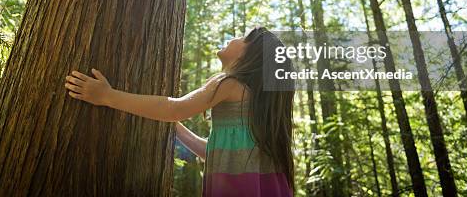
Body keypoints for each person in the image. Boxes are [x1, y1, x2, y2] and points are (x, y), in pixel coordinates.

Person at [64, 26, 295, 196]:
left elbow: (174, 108)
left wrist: (108, 96)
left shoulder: (229, 84)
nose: (233, 37)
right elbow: (216, 153)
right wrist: (176, 129)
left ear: (251, 56)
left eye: (243, 37)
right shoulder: (252, 107)